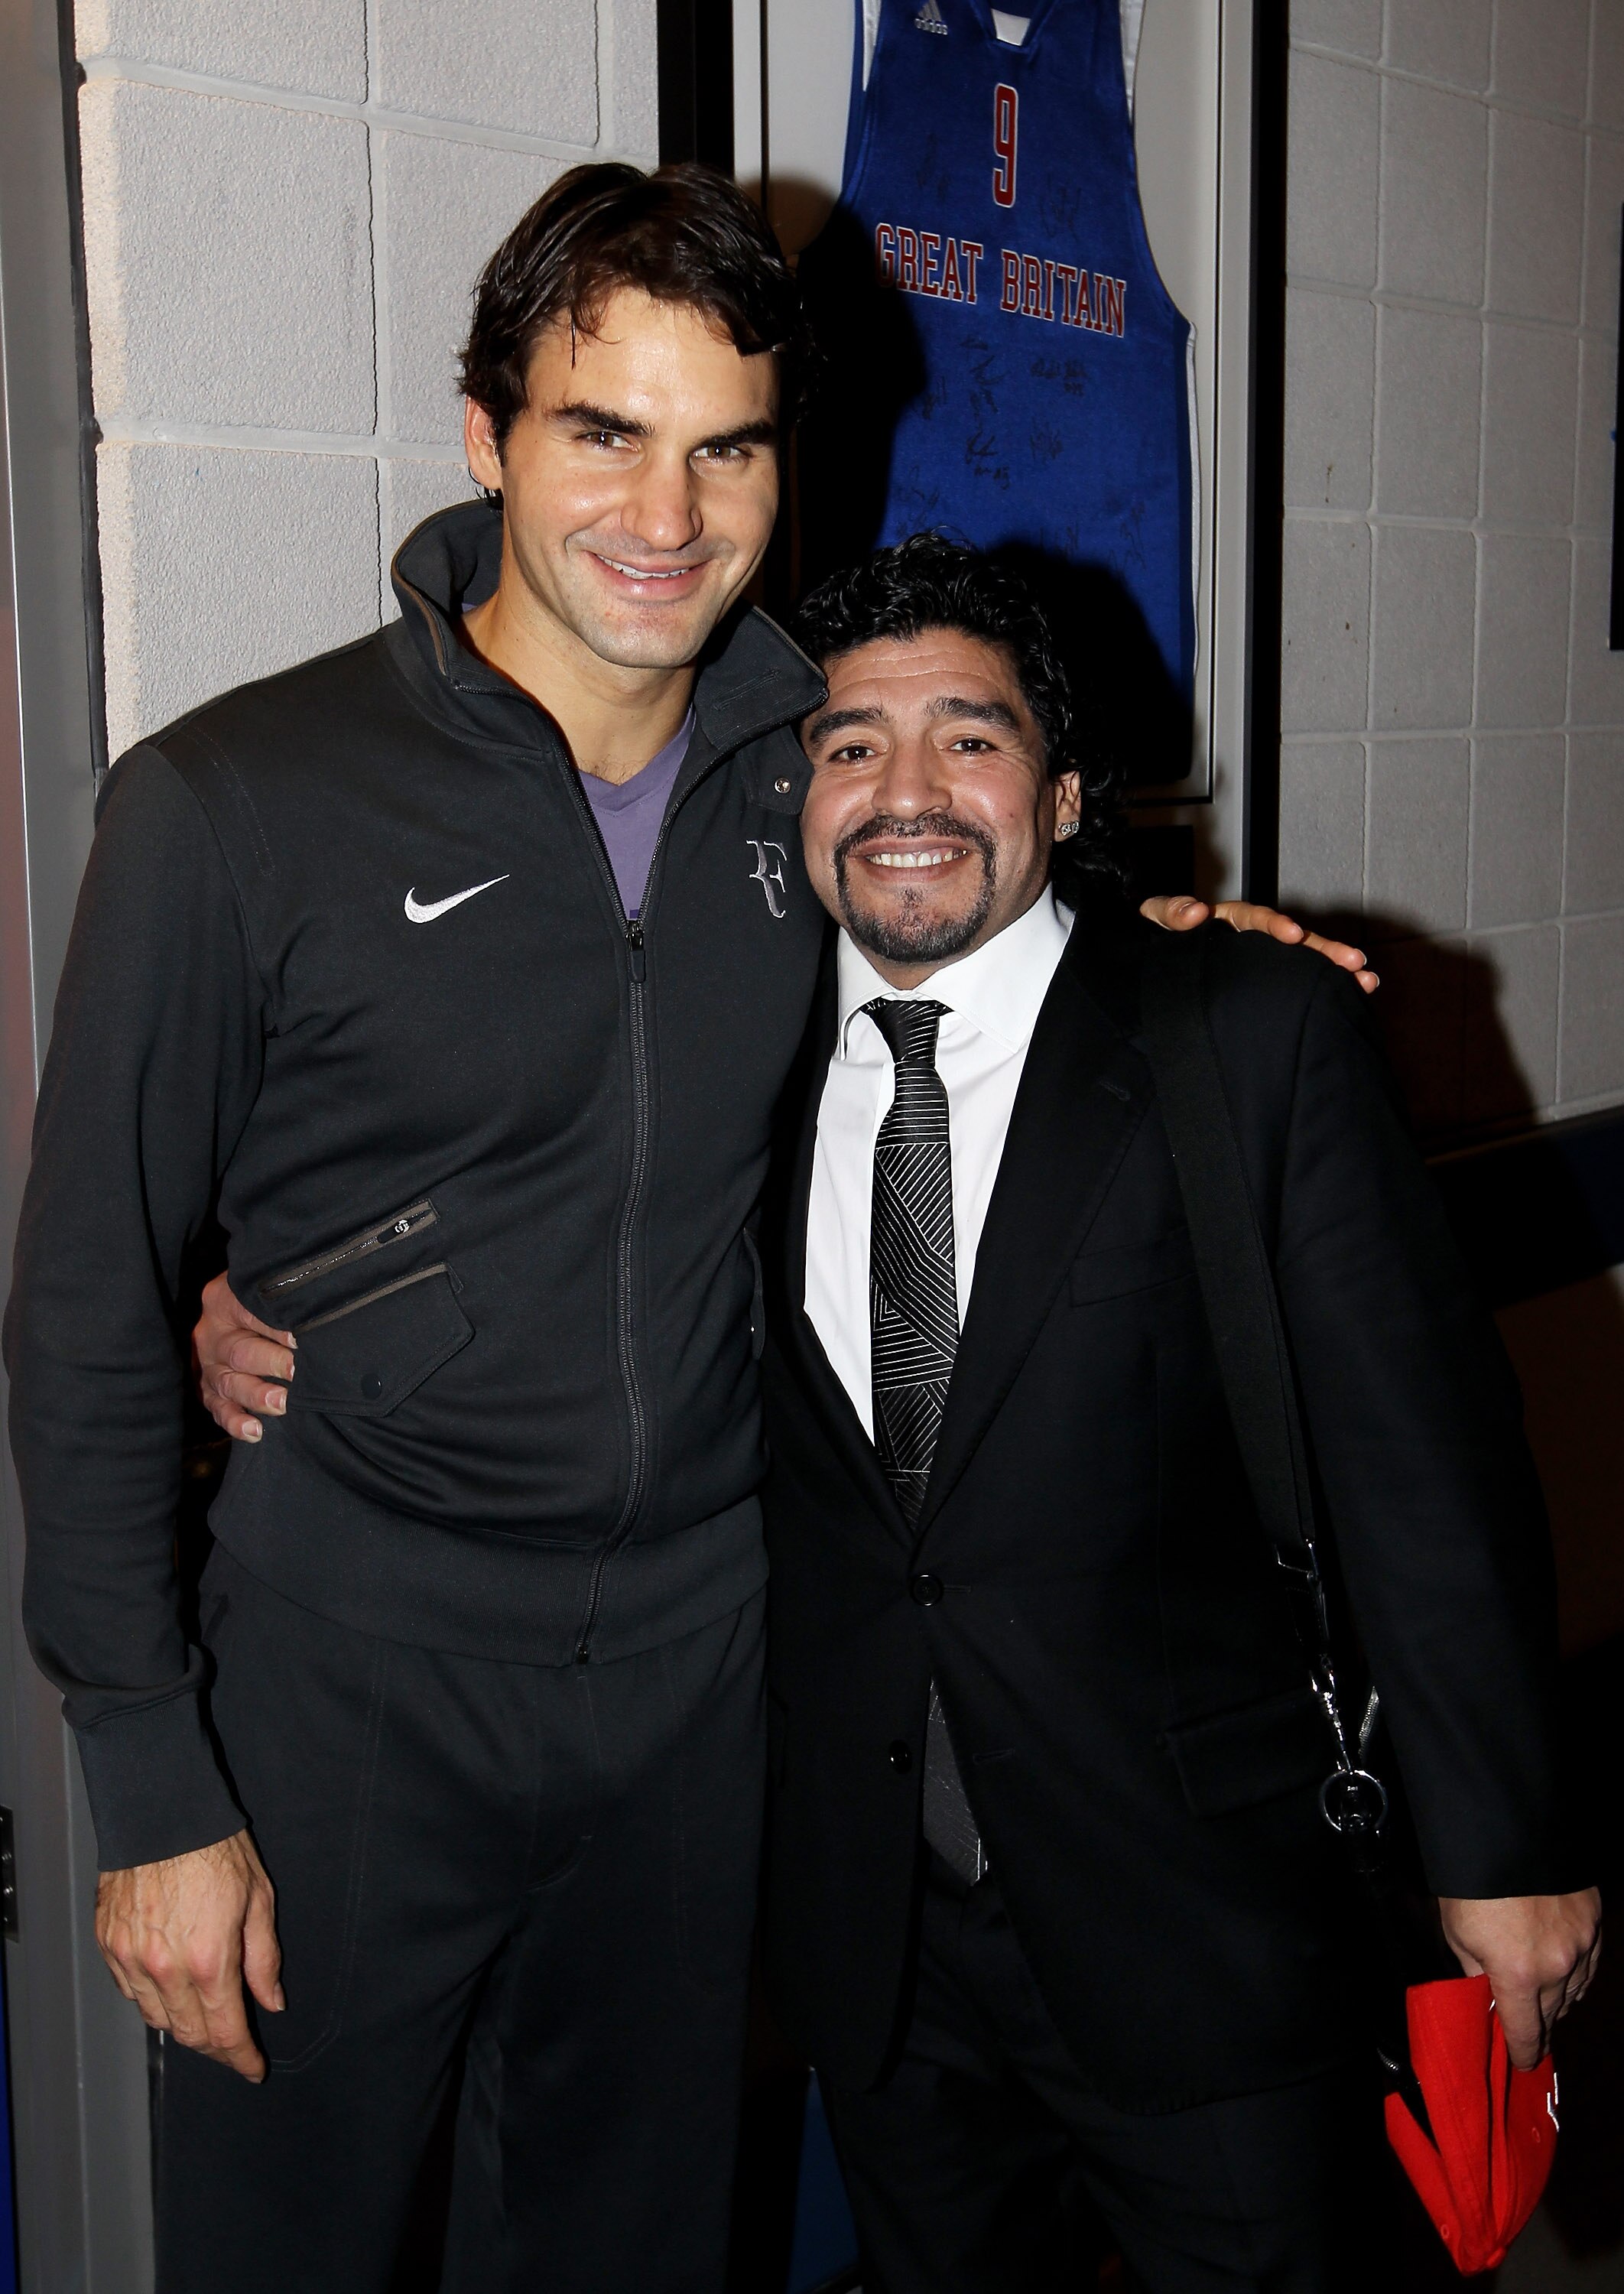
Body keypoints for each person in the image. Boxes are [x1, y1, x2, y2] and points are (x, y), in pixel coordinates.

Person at [14, 167, 1355, 2288]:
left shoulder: (791, 757)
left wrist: (1166, 947)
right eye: (599, 431)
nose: (668, 510)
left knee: (633, 2248)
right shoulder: (232, 806)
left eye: (726, 442)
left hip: (695, 1690)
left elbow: (967, 886)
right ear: (484, 431)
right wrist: (151, 1785)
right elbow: (85, 1305)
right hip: (349, 1688)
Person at [743, 538, 1597, 2292]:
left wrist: (1506, 1849)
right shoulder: (723, 1065)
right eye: (848, 745)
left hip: (1207, 1923)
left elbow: (1424, 1472)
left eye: (967, 739)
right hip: (879, 1942)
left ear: (1063, 796)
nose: (904, 791)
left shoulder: (1245, 1031)